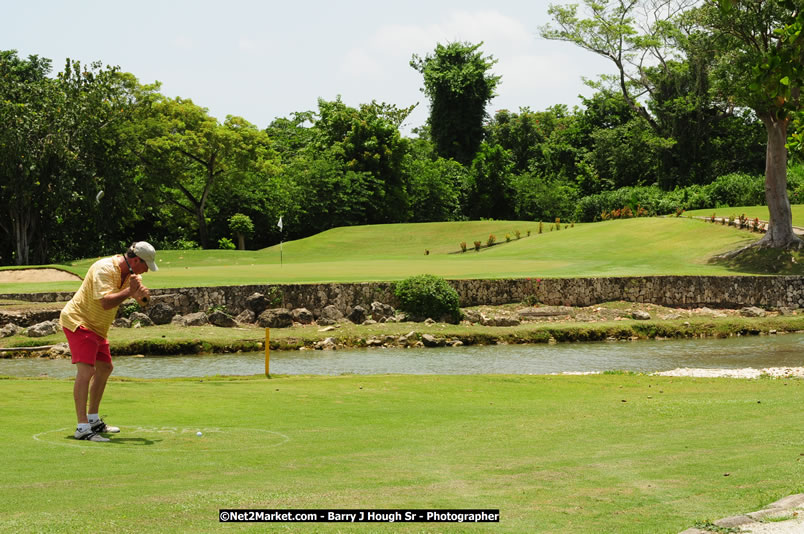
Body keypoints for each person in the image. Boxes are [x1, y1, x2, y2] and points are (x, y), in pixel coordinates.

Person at [59, 242, 158, 442]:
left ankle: (93, 419)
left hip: (98, 327)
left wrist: (143, 297)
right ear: (135, 260)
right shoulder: (103, 268)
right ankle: (82, 427)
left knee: (104, 368)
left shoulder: (132, 276)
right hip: (79, 321)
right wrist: (130, 292)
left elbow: (141, 301)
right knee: (86, 371)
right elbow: (105, 302)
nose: (147, 270)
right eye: (146, 265)